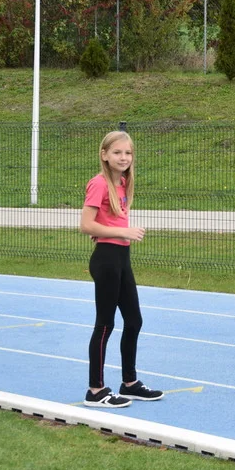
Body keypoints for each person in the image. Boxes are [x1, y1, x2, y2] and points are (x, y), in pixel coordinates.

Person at [80, 131, 164, 408]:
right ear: (104, 154)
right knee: (105, 324)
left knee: (134, 320)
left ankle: (129, 383)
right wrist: (123, 230)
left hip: (122, 258)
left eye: (127, 153)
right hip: (106, 258)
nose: (123, 157)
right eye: (117, 152)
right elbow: (86, 225)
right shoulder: (99, 184)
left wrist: (124, 235)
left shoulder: (123, 183)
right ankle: (95, 390)